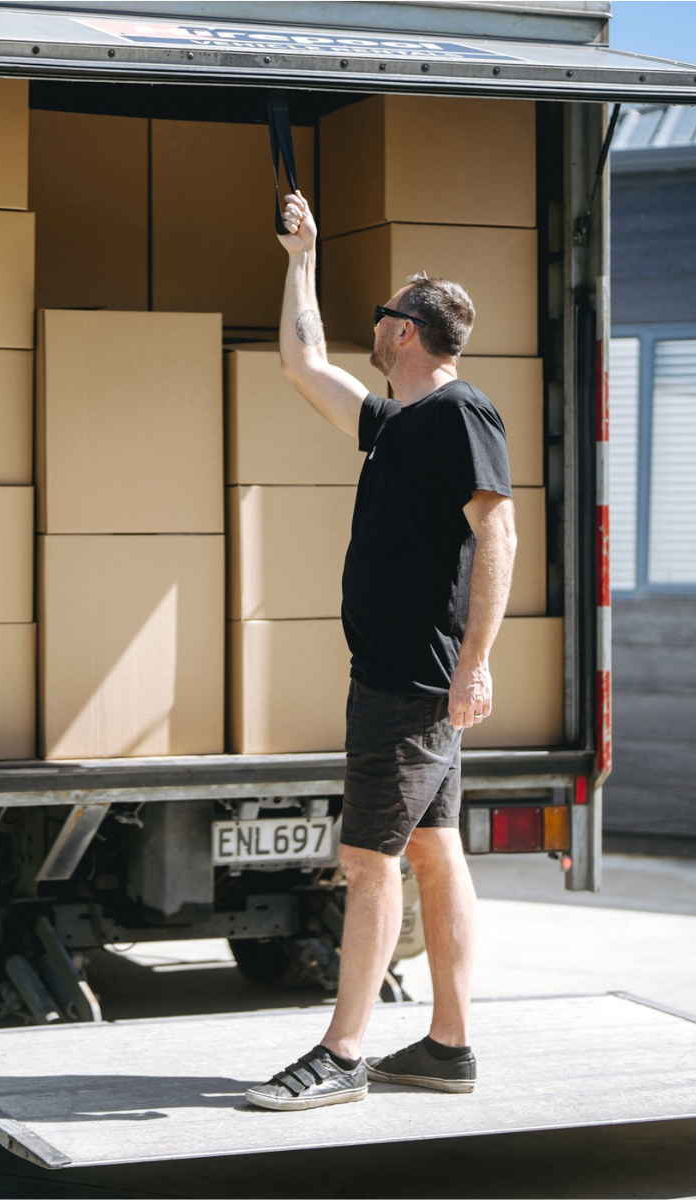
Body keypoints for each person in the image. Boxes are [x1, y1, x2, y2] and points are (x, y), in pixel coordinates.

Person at [246, 194, 517, 1111]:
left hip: (413, 682)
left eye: (382, 313)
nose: (373, 324)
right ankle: (447, 1047)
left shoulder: (459, 412)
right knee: (434, 851)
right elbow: (303, 362)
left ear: (405, 332)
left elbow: (500, 535)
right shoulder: (395, 424)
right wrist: (302, 259)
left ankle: (344, 1052)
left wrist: (476, 661)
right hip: (402, 681)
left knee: (369, 861)